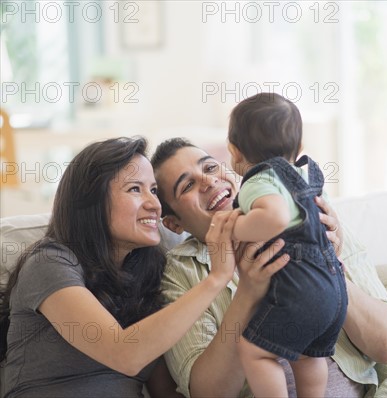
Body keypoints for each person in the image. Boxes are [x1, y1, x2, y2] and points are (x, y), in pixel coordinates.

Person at [0, 137, 287, 398]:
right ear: (92, 203)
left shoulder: (147, 276)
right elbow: (124, 353)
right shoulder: (49, 262)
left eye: (153, 190)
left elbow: (165, 391)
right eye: (135, 189)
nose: (154, 204)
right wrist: (216, 278)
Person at [151, 137, 387, 398]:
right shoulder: (181, 273)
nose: (209, 181)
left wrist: (326, 266)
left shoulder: (308, 210)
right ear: (174, 224)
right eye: (187, 185)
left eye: (209, 168)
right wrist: (247, 294)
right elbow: (208, 393)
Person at [226, 92, 348, 397]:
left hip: (302, 292)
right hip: (334, 291)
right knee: (309, 355)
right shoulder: (305, 176)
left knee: (254, 350)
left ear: (234, 152)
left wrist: (237, 225)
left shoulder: (259, 181)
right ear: (300, 148)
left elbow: (276, 216)